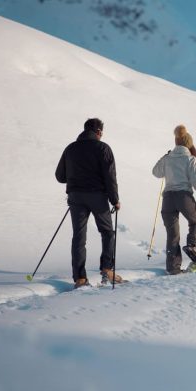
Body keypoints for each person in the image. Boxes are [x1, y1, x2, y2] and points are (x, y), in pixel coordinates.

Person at [55, 118, 123, 288]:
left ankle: (80, 279)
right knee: (107, 232)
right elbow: (110, 177)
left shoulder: (70, 148)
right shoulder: (103, 148)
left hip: (76, 197)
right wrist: (115, 200)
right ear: (98, 131)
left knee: (79, 237)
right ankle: (107, 270)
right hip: (97, 196)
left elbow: (60, 176)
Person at [152, 125, 196, 274]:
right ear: (189, 144)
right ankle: (191, 246)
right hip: (184, 196)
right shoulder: (190, 160)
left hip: (168, 198)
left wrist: (164, 157)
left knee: (172, 234)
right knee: (195, 221)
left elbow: (156, 172)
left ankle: (173, 269)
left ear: (176, 142)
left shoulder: (168, 158)